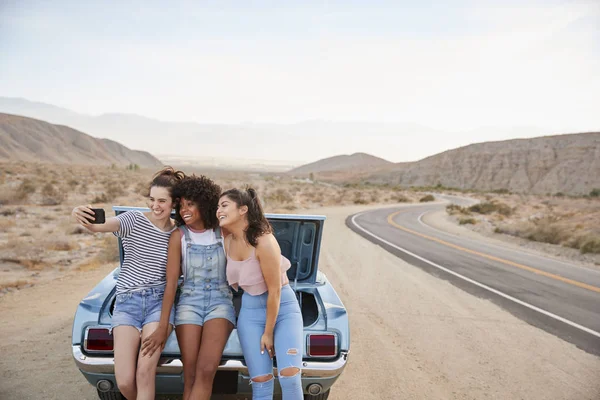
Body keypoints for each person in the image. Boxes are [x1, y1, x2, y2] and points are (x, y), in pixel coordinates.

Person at [71, 166, 185, 400]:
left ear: (174, 203)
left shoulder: (178, 233)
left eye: (162, 201)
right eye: (152, 199)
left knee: (145, 372)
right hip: (126, 304)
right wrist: (79, 212)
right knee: (123, 381)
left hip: (158, 303)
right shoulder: (131, 220)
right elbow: (97, 226)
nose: (155, 206)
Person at [141, 175, 235, 400]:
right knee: (190, 373)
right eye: (181, 205)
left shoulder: (223, 232)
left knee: (206, 371)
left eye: (190, 204)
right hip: (188, 304)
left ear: (204, 203)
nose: (184, 210)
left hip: (220, 303)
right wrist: (163, 326)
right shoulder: (178, 236)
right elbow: (171, 283)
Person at [217, 188, 303, 400]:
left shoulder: (264, 241)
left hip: (282, 308)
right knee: (261, 382)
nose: (218, 211)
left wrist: (268, 332)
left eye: (224, 205)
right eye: (218, 206)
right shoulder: (227, 239)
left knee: (289, 377)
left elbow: (274, 291)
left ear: (243, 210)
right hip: (250, 312)